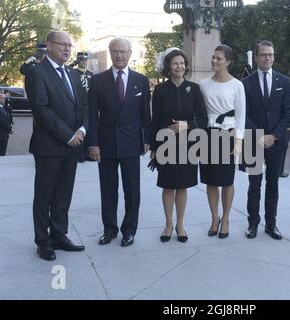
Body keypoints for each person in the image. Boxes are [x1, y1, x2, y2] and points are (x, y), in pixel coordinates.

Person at [25, 30, 89, 261]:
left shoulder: (72, 74)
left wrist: (82, 130)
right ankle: (43, 241)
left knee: (63, 195)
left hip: (72, 148)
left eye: (69, 45)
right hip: (49, 148)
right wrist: (67, 135)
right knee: (44, 197)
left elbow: (83, 105)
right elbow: (41, 110)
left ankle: (59, 235)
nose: (67, 49)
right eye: (62, 44)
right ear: (49, 46)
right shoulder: (36, 73)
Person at [88, 37, 151, 248]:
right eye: (115, 51)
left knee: (132, 190)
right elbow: (92, 116)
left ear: (130, 53)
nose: (119, 55)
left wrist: (147, 141)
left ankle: (129, 230)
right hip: (106, 143)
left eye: (123, 51)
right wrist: (93, 143)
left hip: (132, 143)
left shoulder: (141, 80)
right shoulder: (98, 80)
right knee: (108, 189)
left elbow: (145, 116)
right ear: (110, 53)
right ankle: (109, 229)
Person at [150, 48, 208, 243]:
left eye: (182, 63)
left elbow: (203, 119)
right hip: (165, 144)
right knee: (168, 186)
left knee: (182, 186)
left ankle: (180, 225)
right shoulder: (159, 90)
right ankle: (168, 224)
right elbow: (155, 120)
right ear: (169, 66)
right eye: (175, 63)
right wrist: (154, 148)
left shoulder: (194, 88)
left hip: (188, 144)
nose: (179, 66)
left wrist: (186, 125)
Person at [242, 40, 290, 240]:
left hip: (277, 142)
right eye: (263, 55)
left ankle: (271, 224)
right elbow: (243, 114)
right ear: (256, 57)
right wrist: (259, 136)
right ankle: (252, 224)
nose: (267, 58)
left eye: (270, 54)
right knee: (254, 185)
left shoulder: (284, 81)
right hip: (253, 141)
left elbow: (288, 114)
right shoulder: (246, 83)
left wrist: (274, 136)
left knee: (273, 185)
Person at [199, 44, 246, 239]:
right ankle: (214, 217)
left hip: (228, 135)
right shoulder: (203, 84)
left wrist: (239, 142)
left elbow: (241, 115)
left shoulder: (237, 85)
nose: (214, 61)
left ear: (228, 61)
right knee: (211, 181)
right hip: (208, 135)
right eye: (213, 57)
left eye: (219, 58)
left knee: (227, 181)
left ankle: (225, 218)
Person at [71, 52, 94, 162]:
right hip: (78, 103)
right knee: (79, 127)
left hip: (89, 103)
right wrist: (72, 64)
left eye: (86, 60)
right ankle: (78, 154)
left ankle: (87, 153)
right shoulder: (73, 73)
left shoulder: (91, 74)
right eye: (82, 60)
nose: (84, 62)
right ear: (78, 61)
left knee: (89, 127)